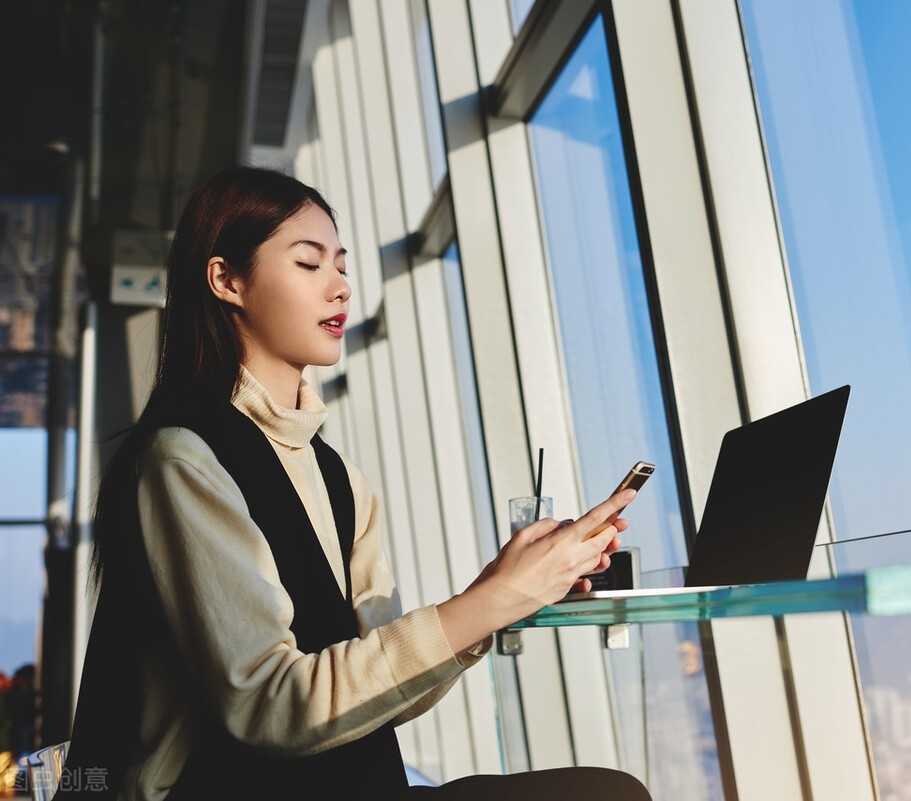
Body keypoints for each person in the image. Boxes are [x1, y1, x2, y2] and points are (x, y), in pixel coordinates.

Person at [58, 166, 652, 801]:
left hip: (350, 781)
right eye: (310, 264)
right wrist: (497, 598)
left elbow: (378, 694)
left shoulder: (340, 479)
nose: (340, 287)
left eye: (341, 265)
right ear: (226, 280)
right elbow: (270, 703)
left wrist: (506, 588)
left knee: (611, 790)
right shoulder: (184, 459)